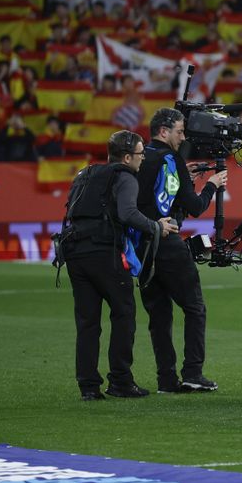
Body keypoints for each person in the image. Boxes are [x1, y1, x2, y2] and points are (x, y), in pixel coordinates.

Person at [60, 130, 176, 401]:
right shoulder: (125, 177)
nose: (143, 158)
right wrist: (155, 226)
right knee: (124, 313)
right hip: (104, 253)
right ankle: (121, 381)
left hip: (75, 252)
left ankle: (88, 386)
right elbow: (127, 213)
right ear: (126, 157)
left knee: (87, 323)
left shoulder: (86, 174)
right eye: (139, 153)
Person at [135, 108, 228, 394]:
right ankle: (192, 373)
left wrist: (180, 176)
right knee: (195, 307)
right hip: (168, 241)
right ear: (164, 131)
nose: (183, 137)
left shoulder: (141, 158)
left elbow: (147, 196)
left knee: (159, 315)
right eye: (179, 131)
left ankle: (166, 379)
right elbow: (196, 206)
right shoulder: (171, 159)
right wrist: (212, 185)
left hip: (142, 244)